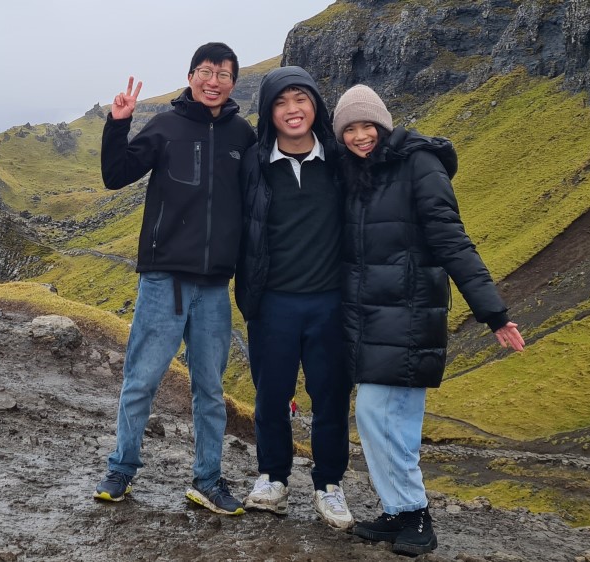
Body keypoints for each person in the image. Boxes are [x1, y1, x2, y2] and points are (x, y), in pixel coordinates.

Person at [332, 84, 526, 555]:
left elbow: (451, 240)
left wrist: (493, 311)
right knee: (379, 417)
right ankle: (398, 511)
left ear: (384, 125)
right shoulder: (355, 174)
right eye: (350, 129)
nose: (360, 137)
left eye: (367, 126)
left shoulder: (420, 164)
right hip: (369, 317)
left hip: (411, 313)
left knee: (386, 414)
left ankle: (416, 513)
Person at [93, 42, 258, 515]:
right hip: (164, 279)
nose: (214, 81)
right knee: (141, 380)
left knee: (210, 389)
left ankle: (208, 480)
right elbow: (115, 174)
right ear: (191, 77)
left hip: (214, 287)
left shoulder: (242, 137)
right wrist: (119, 123)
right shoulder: (165, 126)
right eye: (206, 71)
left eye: (224, 74)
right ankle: (121, 469)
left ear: (232, 83)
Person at [234, 66, 354, 528]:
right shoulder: (253, 164)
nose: (292, 110)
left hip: (330, 302)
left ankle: (329, 486)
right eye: (281, 103)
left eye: (300, 99)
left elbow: (390, 159)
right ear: (268, 113)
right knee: (271, 397)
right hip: (272, 303)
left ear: (316, 106)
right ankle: (273, 479)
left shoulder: (341, 161)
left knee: (331, 398)